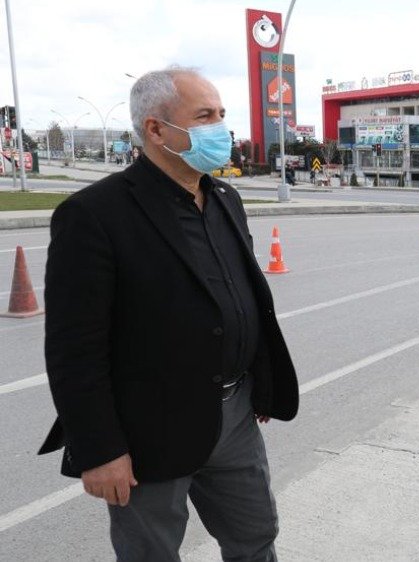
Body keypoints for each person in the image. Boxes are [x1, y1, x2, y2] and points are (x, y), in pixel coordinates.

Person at [38, 66, 299, 561]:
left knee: (256, 537)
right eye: (204, 117)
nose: (221, 129)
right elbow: (75, 350)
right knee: (151, 554)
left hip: (235, 415)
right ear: (156, 130)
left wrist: (259, 381)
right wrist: (99, 450)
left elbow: (240, 297)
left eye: (222, 115)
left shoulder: (224, 197)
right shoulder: (95, 214)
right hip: (146, 431)